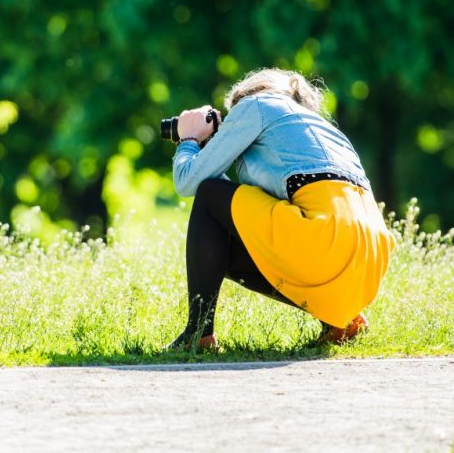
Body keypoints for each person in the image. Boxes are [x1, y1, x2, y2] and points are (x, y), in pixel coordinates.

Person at [167, 68, 396, 351]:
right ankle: (341, 319)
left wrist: (189, 140)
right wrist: (214, 148)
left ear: (244, 97)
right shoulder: (326, 130)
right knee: (220, 247)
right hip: (369, 260)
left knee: (208, 192)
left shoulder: (256, 105)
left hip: (322, 239)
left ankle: (197, 334)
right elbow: (248, 210)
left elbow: (191, 183)